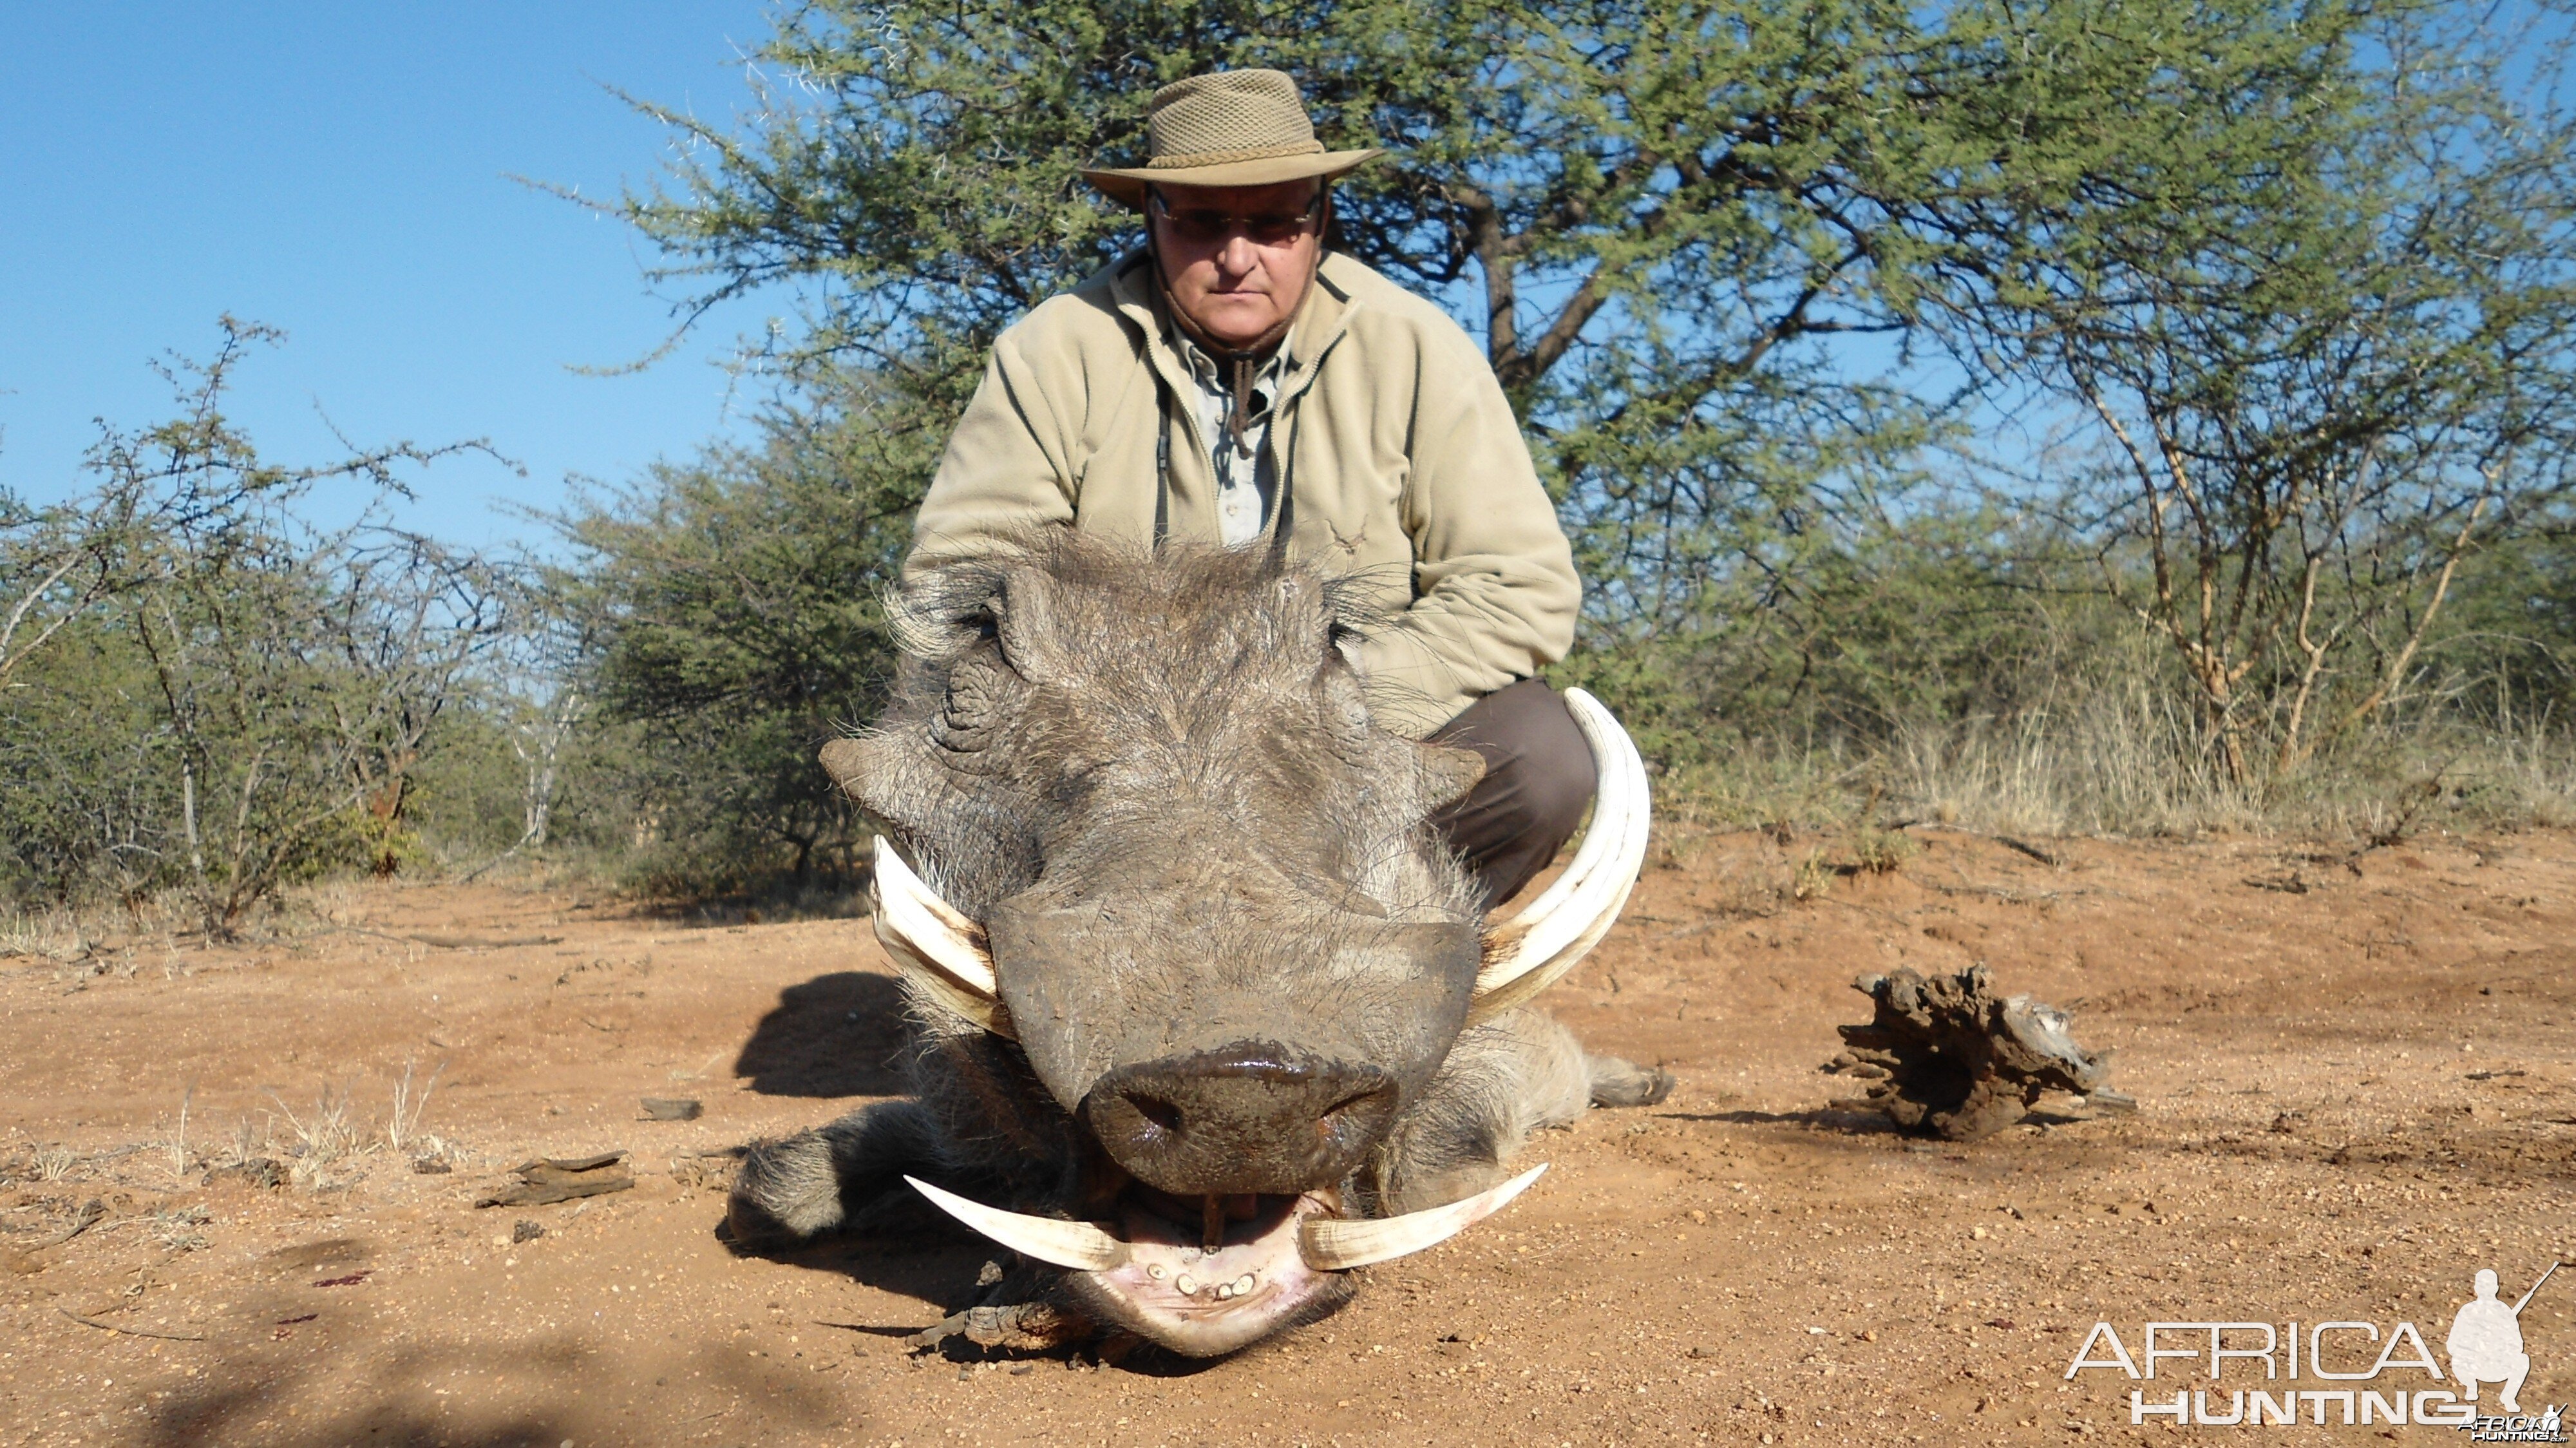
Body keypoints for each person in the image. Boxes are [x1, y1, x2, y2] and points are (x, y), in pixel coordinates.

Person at [907, 68, 1591, 905]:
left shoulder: (1415, 347)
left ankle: (1386, 965)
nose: (1237, 257)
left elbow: (1519, 587)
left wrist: (1325, 711)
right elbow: (960, 585)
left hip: (1345, 766)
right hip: (1110, 784)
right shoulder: (1052, 351)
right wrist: (1119, 733)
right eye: (1200, 222)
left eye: (1273, 220)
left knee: (1540, 757)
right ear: (1152, 218)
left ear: (1318, 221)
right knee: (934, 766)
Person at [2447, 1268, 2531, 1413]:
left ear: (2496, 1288)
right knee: (2458, 1358)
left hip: (2496, 1365)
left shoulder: (2505, 1312)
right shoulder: (2467, 1310)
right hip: (2471, 1365)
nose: (2485, 1289)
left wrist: (2499, 1347)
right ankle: (2471, 1387)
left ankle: (2509, 1397)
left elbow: (2518, 1345)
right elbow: (2452, 1344)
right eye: (2482, 1285)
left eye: (2489, 1285)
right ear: (2476, 1288)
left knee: (2523, 1360)